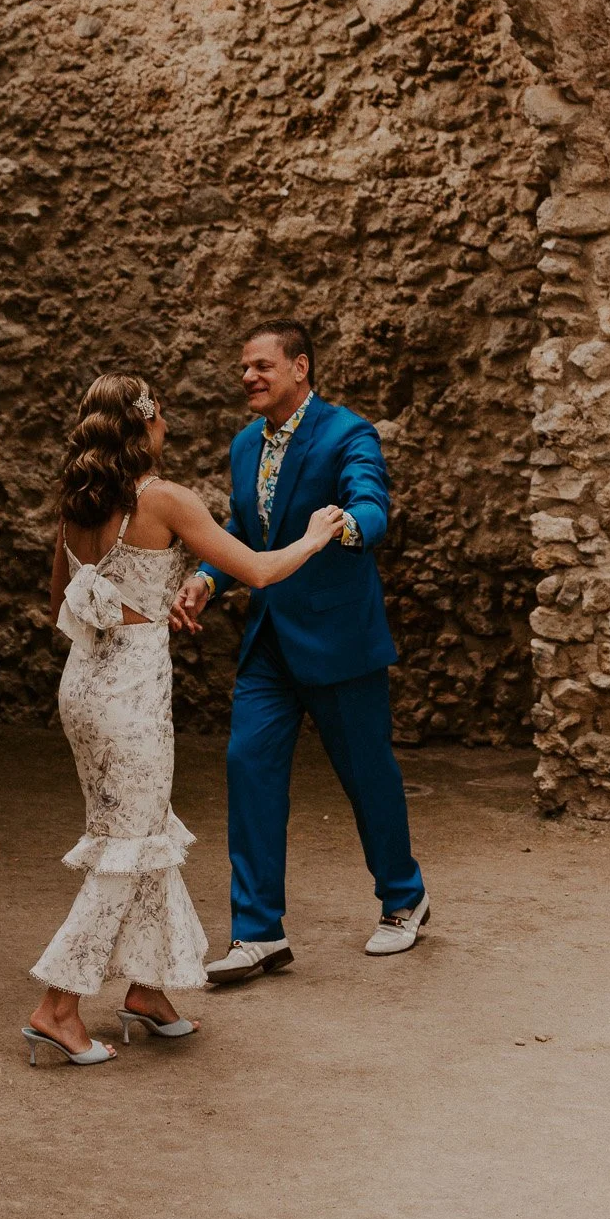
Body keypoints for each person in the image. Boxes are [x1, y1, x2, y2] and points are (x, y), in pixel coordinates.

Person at [24, 371, 344, 1066]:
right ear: (141, 428)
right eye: (160, 416)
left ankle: (147, 990)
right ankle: (58, 1006)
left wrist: (135, 600)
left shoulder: (78, 504)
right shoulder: (162, 498)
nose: (167, 426)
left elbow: (60, 606)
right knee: (126, 846)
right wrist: (317, 534)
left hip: (83, 684)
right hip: (132, 691)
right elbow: (256, 571)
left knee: (142, 833)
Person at [170, 320, 428, 983]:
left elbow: (372, 503)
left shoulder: (348, 433)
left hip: (341, 640)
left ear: (300, 368)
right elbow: (241, 528)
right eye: (244, 368)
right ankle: (257, 933)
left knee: (366, 774)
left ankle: (403, 900)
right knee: (247, 766)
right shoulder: (242, 445)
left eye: (261, 366)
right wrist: (206, 577)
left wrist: (345, 524)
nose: (249, 377)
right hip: (269, 643)